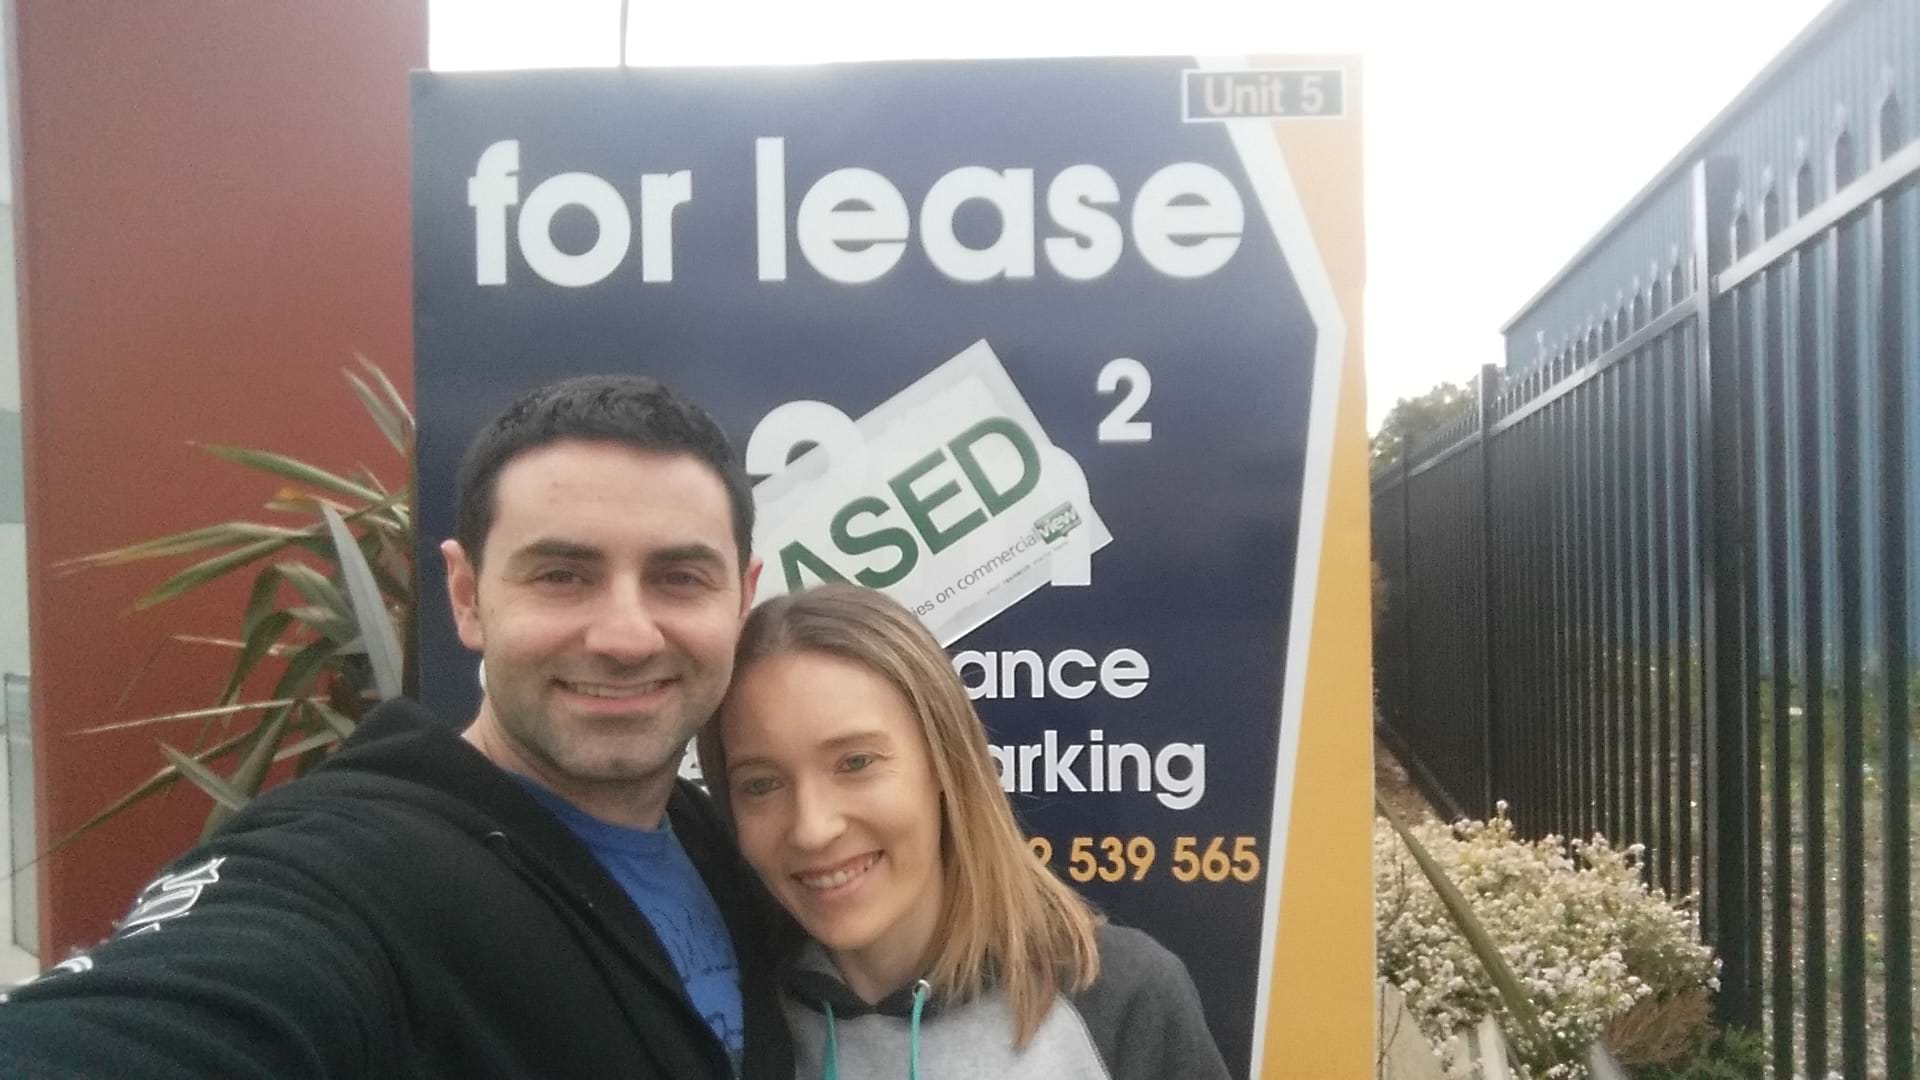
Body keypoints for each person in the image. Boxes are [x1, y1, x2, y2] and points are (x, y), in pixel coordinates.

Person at [0, 375, 794, 1079]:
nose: (626, 637)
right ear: (468, 596)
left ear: (741, 597)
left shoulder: (731, 844)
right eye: (561, 575)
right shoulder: (346, 873)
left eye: (679, 577)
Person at [697, 584, 1230, 1080]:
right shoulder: (721, 1016)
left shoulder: (1123, 996)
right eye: (761, 784)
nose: (812, 829)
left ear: (945, 763)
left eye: (856, 762)